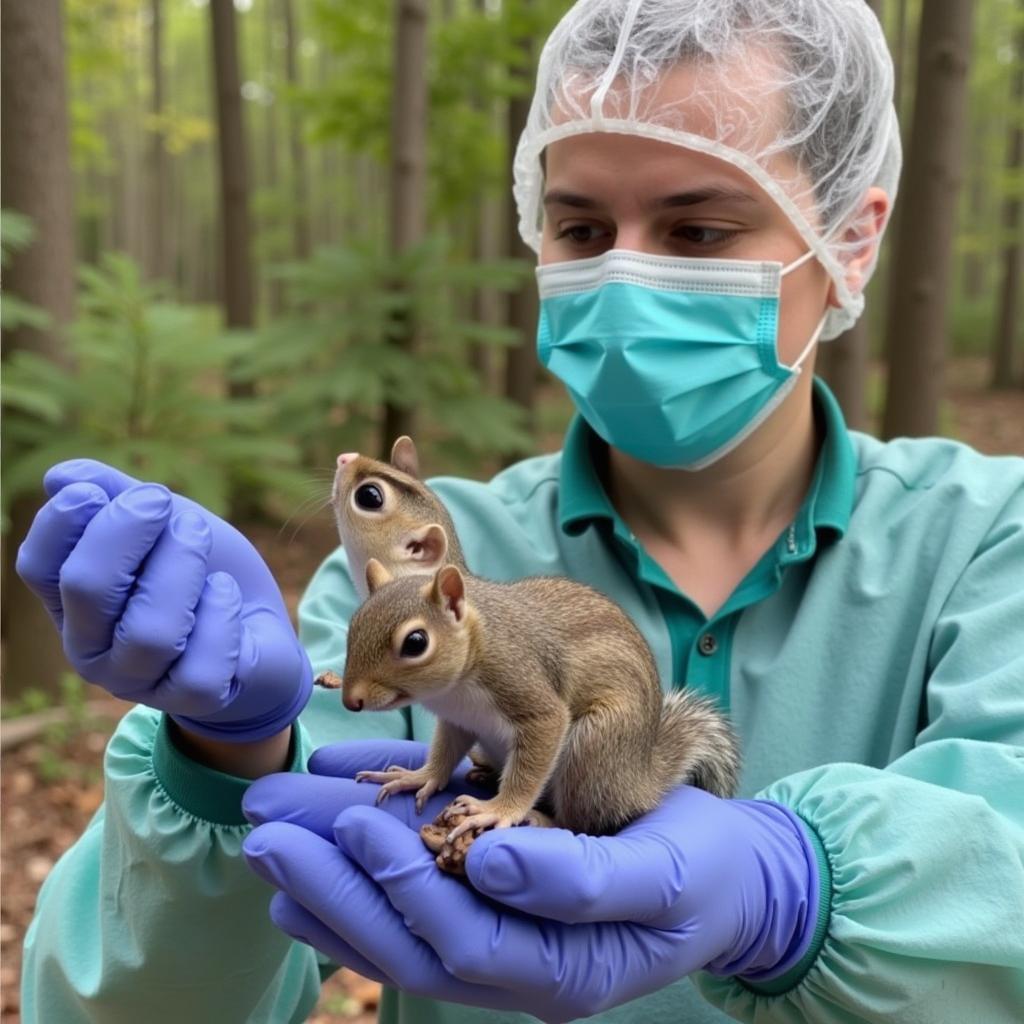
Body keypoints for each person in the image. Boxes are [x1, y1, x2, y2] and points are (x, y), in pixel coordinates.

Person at [15, 0, 1024, 1021]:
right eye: (581, 227)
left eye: (697, 229)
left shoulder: (986, 538)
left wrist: (801, 892)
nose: (623, 276)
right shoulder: (426, 552)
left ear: (850, 237)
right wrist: (223, 757)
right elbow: (123, 1004)